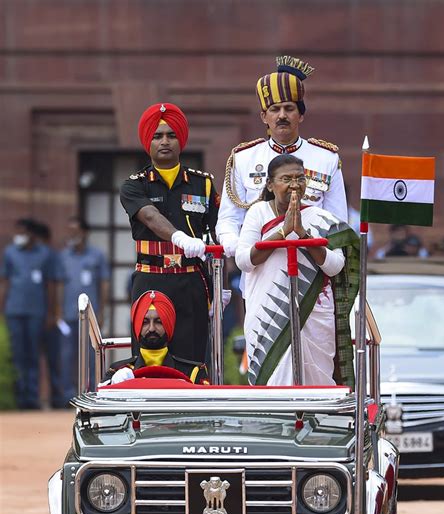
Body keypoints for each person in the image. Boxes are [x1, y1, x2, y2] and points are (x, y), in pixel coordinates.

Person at [235, 154, 359, 387]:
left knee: (316, 384)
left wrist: (303, 234)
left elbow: (335, 266)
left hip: (313, 312)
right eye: (286, 179)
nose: (294, 184)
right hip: (268, 315)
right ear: (270, 185)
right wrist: (283, 231)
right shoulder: (258, 213)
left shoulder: (321, 219)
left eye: (300, 178)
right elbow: (244, 260)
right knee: (273, 388)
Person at [216, 55, 348, 260]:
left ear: (301, 115)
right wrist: (239, 249)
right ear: (264, 117)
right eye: (274, 109)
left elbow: (338, 222)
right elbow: (228, 218)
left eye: (289, 108)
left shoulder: (326, 158)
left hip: (310, 269)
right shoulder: (243, 158)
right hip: (258, 268)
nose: (282, 116)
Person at [119, 102, 220, 361]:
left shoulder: (204, 184)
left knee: (194, 360)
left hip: (191, 281)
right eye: (158, 136)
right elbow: (150, 217)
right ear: (148, 142)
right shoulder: (134, 186)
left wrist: (219, 288)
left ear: (181, 140)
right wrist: (179, 237)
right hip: (151, 280)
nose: (165, 141)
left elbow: (217, 234)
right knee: (148, 357)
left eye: (171, 135)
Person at [0, 218, 56, 409]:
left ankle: (31, 398)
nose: (19, 236)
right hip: (14, 310)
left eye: (22, 232)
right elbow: (4, 282)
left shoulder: (45, 254)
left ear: (31, 234)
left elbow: (50, 285)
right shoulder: (10, 253)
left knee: (33, 355)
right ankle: (18, 397)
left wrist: (51, 313)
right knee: (17, 354)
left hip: (36, 311)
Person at [101, 290, 208, 385]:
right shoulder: (118, 372)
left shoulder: (192, 372)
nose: (151, 328)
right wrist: (113, 384)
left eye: (158, 322)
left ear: (168, 325)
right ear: (137, 326)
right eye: (145, 322)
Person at [59, 216, 110, 404]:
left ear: (84, 233)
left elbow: (103, 284)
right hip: (67, 314)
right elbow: (57, 285)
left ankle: (92, 394)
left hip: (90, 316)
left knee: (91, 355)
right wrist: (56, 312)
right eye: (70, 231)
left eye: (76, 231)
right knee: (66, 356)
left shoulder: (97, 256)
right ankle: (66, 396)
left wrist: (102, 312)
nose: (73, 235)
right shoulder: (63, 256)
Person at [34, 221, 65, 408]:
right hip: (35, 314)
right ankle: (42, 397)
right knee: (35, 358)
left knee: (55, 358)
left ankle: (57, 397)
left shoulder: (51, 257)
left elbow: (55, 287)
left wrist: (54, 313)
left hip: (50, 317)